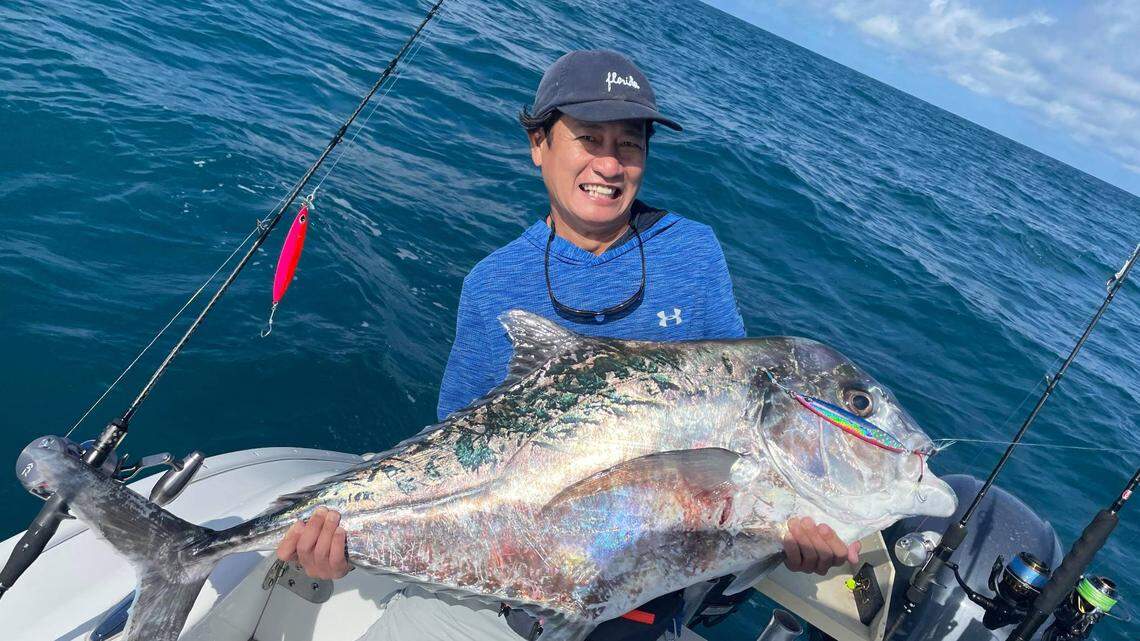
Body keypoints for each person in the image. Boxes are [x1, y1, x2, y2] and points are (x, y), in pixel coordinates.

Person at [276, 50, 859, 640]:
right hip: (490, 593)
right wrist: (345, 543)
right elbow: (462, 455)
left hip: (636, 596)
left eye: (629, 145)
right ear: (539, 144)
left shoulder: (693, 251)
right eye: (587, 139)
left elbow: (734, 407)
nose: (609, 165)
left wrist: (785, 533)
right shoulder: (494, 282)